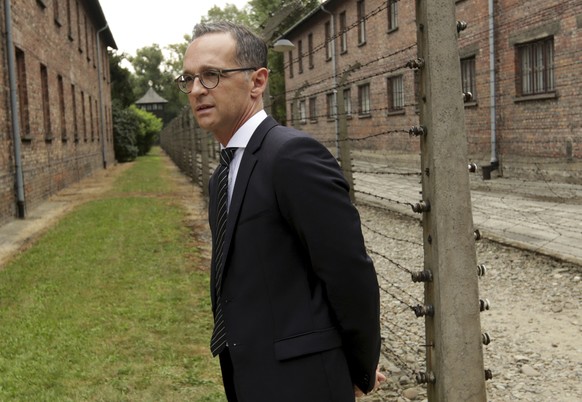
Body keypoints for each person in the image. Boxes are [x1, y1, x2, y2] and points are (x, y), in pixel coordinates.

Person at [176, 21, 384, 401]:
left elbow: (349, 273)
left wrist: (359, 370)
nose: (195, 91)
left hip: (304, 383)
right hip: (251, 375)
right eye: (188, 79)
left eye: (211, 76)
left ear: (256, 82)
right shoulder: (222, 174)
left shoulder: (291, 156)